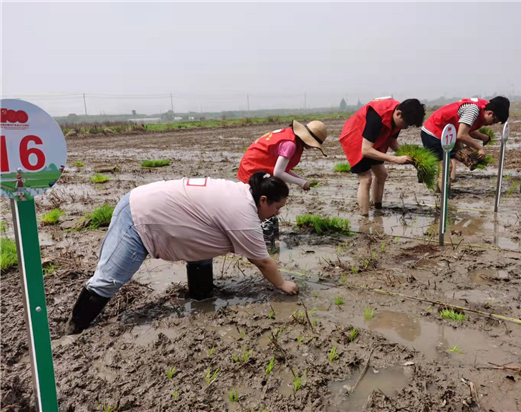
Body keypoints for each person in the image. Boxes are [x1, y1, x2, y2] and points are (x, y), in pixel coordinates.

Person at [65, 173, 298, 334]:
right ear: (264, 200)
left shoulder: (243, 194)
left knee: (204, 241)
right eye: (277, 208)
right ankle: (75, 330)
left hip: (154, 206)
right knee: (109, 280)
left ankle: (202, 297)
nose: (275, 214)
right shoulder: (244, 216)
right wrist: (283, 284)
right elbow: (262, 261)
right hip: (139, 215)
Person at [237, 120, 327, 238]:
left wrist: (301, 180)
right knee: (264, 201)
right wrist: (301, 182)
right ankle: (262, 236)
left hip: (257, 164)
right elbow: (278, 172)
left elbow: (282, 168)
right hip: (253, 168)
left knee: (270, 200)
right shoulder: (290, 144)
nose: (312, 147)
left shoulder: (290, 136)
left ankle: (269, 233)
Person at [339, 98, 426, 216]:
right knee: (366, 178)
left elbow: (392, 141)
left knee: (382, 174)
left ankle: (378, 208)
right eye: (406, 123)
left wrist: (412, 159)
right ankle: (365, 218)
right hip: (355, 138)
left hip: (375, 140)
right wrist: (395, 159)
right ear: (398, 113)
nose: (406, 127)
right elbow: (366, 150)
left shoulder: (399, 116)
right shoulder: (376, 117)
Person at [421, 96, 510, 191]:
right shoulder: (473, 110)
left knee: (461, 158)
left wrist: (482, 137)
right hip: (433, 133)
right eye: (493, 121)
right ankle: (443, 197)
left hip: (448, 133)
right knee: (446, 166)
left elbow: (467, 129)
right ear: (490, 113)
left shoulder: (483, 107)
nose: (491, 124)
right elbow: (462, 135)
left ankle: (443, 191)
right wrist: (479, 148)